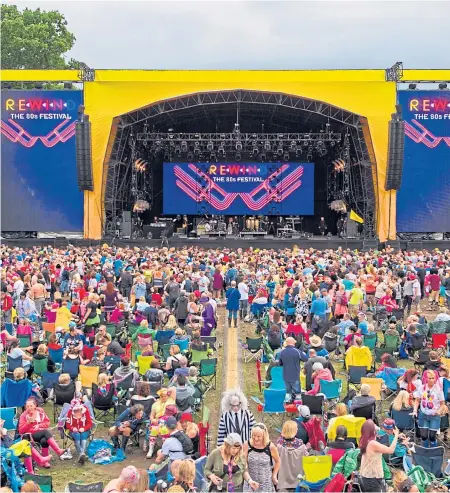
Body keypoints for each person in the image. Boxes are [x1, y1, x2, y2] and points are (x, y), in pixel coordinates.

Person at [18, 397, 72, 461]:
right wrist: (28, 423)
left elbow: (47, 422)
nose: (29, 408)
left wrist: (39, 425)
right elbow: (21, 430)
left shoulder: (40, 411)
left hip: (41, 433)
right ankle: (58, 451)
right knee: (45, 432)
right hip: (30, 435)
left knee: (44, 440)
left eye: (31, 406)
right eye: (27, 406)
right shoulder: (23, 415)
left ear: (35, 405)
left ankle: (45, 461)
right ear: (25, 407)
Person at [359, 419, 399, 493]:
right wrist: (396, 435)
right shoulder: (372, 444)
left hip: (366, 477)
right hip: (373, 479)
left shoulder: (363, 440)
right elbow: (391, 450)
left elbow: (377, 429)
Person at [242, 422, 280, 492]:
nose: (255, 438)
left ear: (264, 436)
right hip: (250, 483)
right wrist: (247, 477)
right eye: (253, 435)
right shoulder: (247, 445)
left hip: (266, 485)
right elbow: (244, 463)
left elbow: (278, 462)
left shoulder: (270, 447)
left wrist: (274, 475)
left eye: (258, 436)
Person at [413, 370, 446, 447]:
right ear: (425, 378)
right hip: (423, 414)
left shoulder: (439, 390)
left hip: (434, 416)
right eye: (429, 378)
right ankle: (425, 452)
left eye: (433, 378)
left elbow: (442, 404)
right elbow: (417, 400)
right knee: (424, 436)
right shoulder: (422, 388)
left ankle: (433, 452)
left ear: (435, 378)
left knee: (432, 436)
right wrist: (415, 410)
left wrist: (438, 411)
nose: (431, 380)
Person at [276, 420, 309, 491]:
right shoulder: (300, 443)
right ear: (294, 431)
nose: (297, 429)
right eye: (296, 428)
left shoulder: (279, 442)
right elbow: (306, 457)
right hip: (297, 478)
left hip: (283, 478)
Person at [65, 399, 93, 464]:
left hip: (85, 430)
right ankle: (81, 454)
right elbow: (67, 424)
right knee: (77, 434)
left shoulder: (85, 411)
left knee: (83, 435)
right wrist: (72, 428)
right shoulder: (70, 412)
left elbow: (89, 423)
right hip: (73, 431)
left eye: (79, 410)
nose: (77, 412)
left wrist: (84, 428)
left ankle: (81, 454)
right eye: (75, 411)